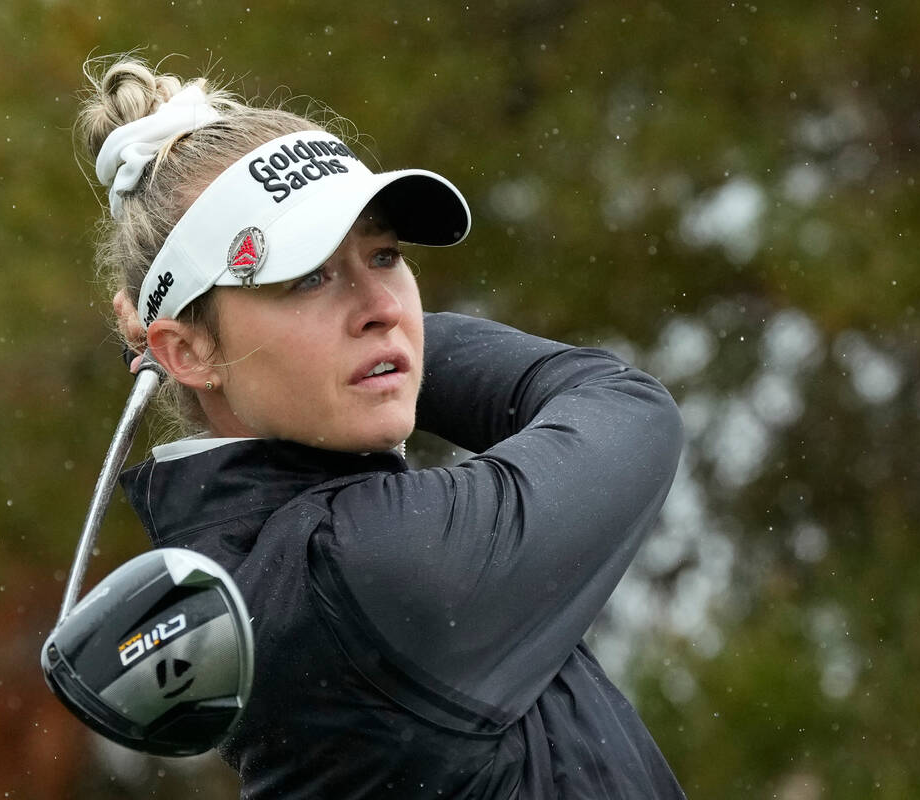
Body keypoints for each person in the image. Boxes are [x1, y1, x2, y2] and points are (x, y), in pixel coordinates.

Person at [80, 55, 687, 799]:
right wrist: (394, 351)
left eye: (385, 255)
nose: (384, 305)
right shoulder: (367, 566)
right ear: (188, 350)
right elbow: (626, 408)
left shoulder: (263, 560)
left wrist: (373, 348)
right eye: (308, 275)